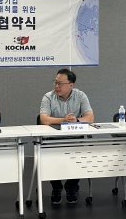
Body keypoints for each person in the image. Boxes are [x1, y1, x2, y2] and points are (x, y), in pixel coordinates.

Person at [39, 68, 94, 205]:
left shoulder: (80, 96)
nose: (57, 86)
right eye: (55, 82)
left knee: (81, 157)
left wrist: (76, 120)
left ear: (71, 85)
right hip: (53, 141)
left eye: (60, 83)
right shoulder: (48, 97)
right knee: (52, 158)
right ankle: (56, 187)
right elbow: (44, 119)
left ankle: (71, 186)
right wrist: (63, 120)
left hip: (75, 139)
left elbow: (90, 117)